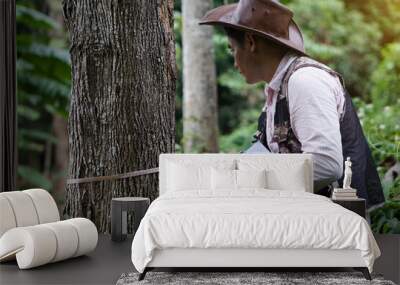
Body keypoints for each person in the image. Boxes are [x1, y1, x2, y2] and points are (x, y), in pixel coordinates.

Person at [199, 0, 385, 208]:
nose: (234, 62)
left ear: (250, 42)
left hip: (333, 223)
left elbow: (327, 164)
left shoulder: (304, 81)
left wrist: (254, 178)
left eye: (232, 50)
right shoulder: (279, 89)